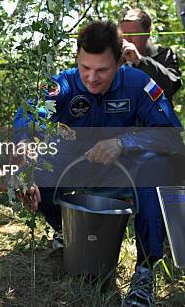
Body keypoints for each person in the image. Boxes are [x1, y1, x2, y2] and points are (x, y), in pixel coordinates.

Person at [14, 21, 184, 307]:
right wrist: (24, 152)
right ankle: (65, 229)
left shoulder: (138, 84)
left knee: (155, 166)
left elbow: (172, 139)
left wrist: (124, 143)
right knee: (40, 163)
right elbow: (29, 114)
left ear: (119, 62)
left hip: (126, 171)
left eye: (102, 70)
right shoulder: (64, 83)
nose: (91, 78)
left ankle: (144, 272)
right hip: (78, 168)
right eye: (85, 67)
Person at [119, 8, 182, 101]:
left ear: (148, 33)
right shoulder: (113, 58)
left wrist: (140, 60)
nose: (127, 39)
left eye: (133, 34)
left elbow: (171, 87)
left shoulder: (163, 54)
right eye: (123, 34)